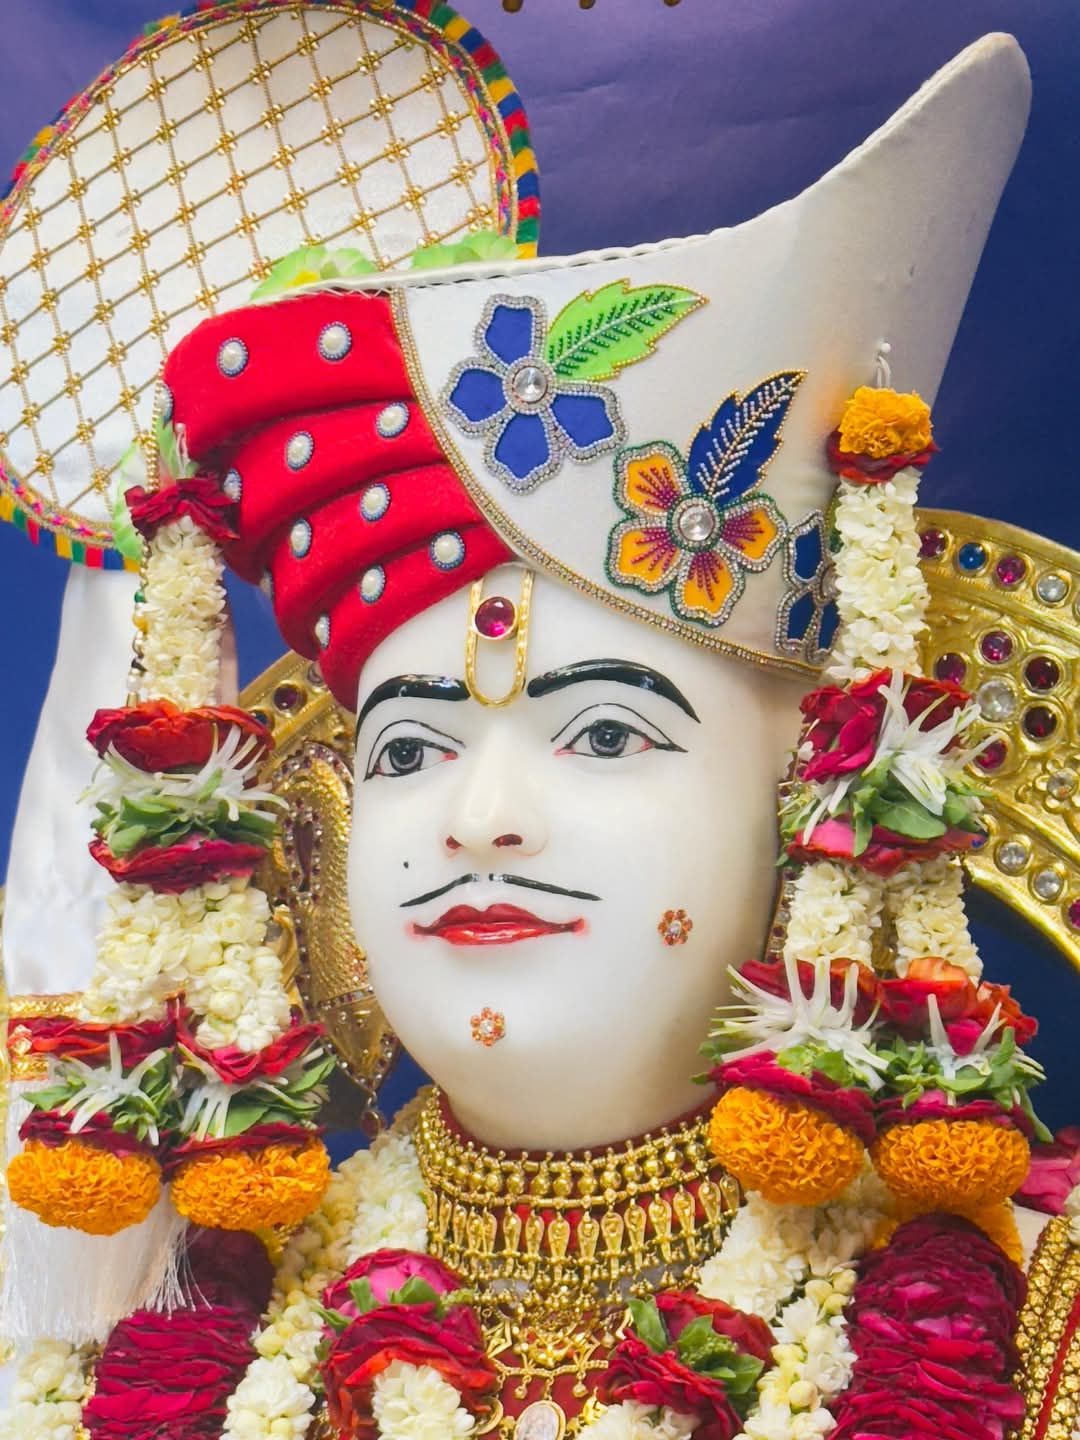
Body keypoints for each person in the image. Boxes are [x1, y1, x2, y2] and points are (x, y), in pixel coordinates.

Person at [1, 5, 1076, 1438]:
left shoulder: (1032, 1315)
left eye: (609, 732)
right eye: (407, 749)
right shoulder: (190, 1334)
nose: (480, 813)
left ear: (823, 801)